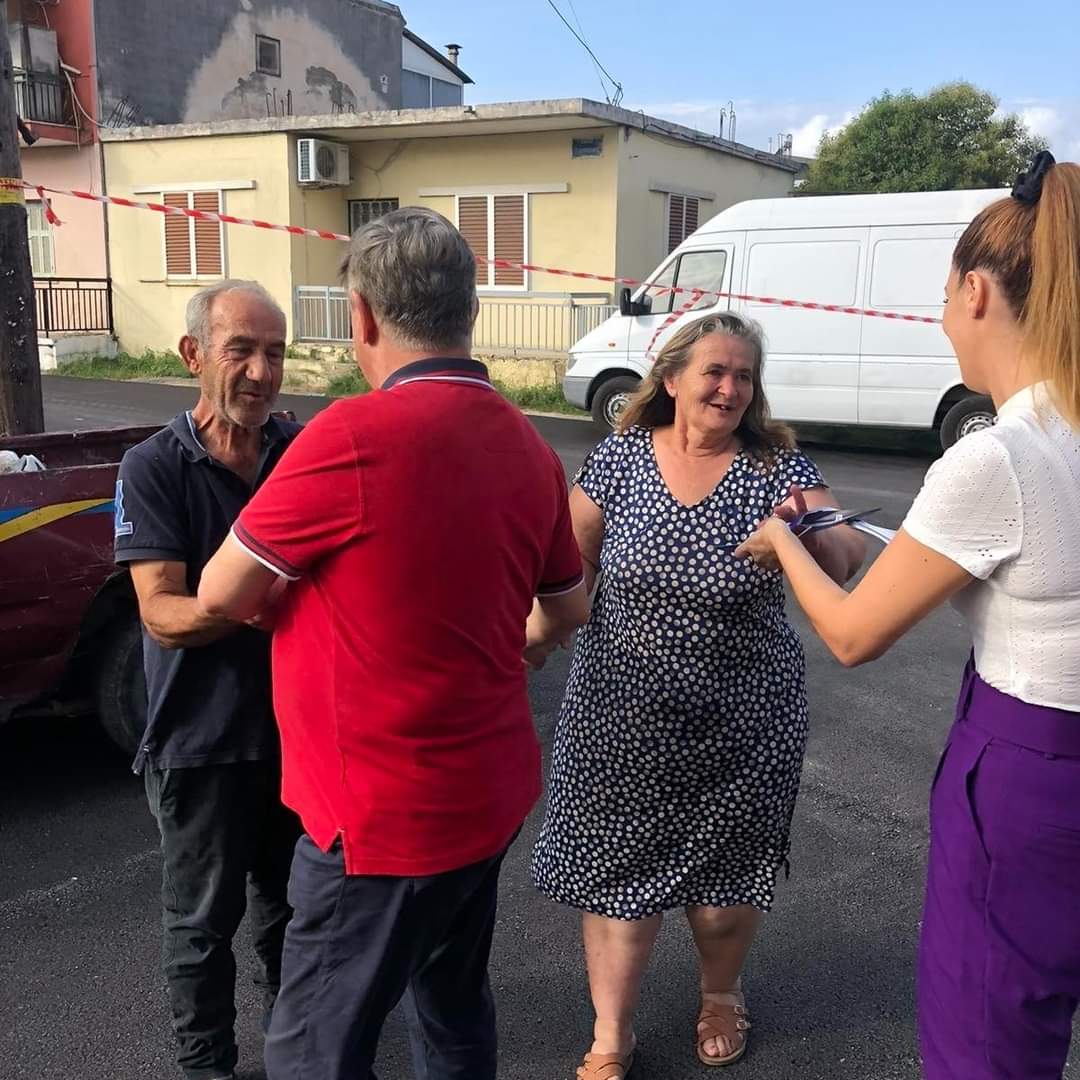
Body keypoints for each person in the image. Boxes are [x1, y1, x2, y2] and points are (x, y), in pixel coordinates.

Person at [194, 206, 589, 1080]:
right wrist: (507, 643)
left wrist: (283, 600)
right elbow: (566, 606)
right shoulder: (528, 446)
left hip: (377, 821)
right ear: (469, 310)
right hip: (485, 795)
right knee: (451, 1009)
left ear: (364, 316)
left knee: (313, 1051)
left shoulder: (349, 436)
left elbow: (220, 592)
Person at [735, 153, 1080, 1079]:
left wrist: (786, 542)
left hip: (1033, 775)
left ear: (976, 292)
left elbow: (853, 634)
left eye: (941, 298)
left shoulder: (1000, 456)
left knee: (990, 1041)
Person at [529, 312, 866, 1078]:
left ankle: (721, 993)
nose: (730, 388)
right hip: (618, 719)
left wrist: (805, 530)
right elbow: (567, 565)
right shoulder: (620, 459)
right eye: (715, 371)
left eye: (744, 375)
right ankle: (611, 1034)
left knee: (723, 889)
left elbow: (845, 557)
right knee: (616, 879)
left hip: (744, 723)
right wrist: (536, 635)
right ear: (673, 377)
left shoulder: (777, 467)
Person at [114, 280, 303, 1080]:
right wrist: (264, 605)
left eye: (275, 353)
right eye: (241, 351)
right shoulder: (155, 466)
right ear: (194, 355)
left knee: (297, 919)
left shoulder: (302, 452)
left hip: (302, 739)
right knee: (201, 928)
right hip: (201, 742)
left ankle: (299, 1051)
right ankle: (207, 1067)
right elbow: (161, 612)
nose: (262, 372)